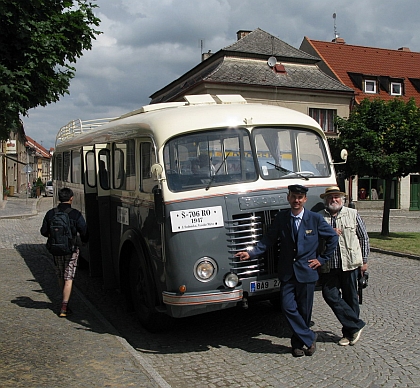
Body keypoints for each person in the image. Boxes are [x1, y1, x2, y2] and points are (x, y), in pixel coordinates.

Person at [235, 185, 338, 357]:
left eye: (300, 197)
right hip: (287, 273)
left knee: (304, 312)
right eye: (294, 197)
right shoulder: (282, 218)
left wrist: (321, 260)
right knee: (288, 307)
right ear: (288, 198)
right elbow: (268, 240)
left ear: (304, 199)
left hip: (307, 273)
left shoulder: (315, 219)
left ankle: (297, 344)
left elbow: (333, 238)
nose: (296, 200)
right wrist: (251, 252)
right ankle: (310, 336)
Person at [318, 186, 369, 346]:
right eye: (331, 197)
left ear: (342, 199)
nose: (334, 199)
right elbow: (313, 238)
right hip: (329, 266)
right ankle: (356, 325)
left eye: (337, 197)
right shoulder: (319, 217)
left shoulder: (352, 214)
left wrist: (364, 261)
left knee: (351, 298)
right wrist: (327, 232)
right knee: (329, 295)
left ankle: (349, 334)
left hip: (350, 264)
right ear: (326, 200)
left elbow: (364, 238)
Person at [40, 187, 89, 317]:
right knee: (69, 277)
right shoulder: (75, 214)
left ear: (59, 198)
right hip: (71, 249)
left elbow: (43, 232)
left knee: (61, 275)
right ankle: (64, 306)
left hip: (56, 249)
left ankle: (63, 300)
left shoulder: (51, 213)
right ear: (71, 198)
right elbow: (84, 231)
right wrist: (84, 241)